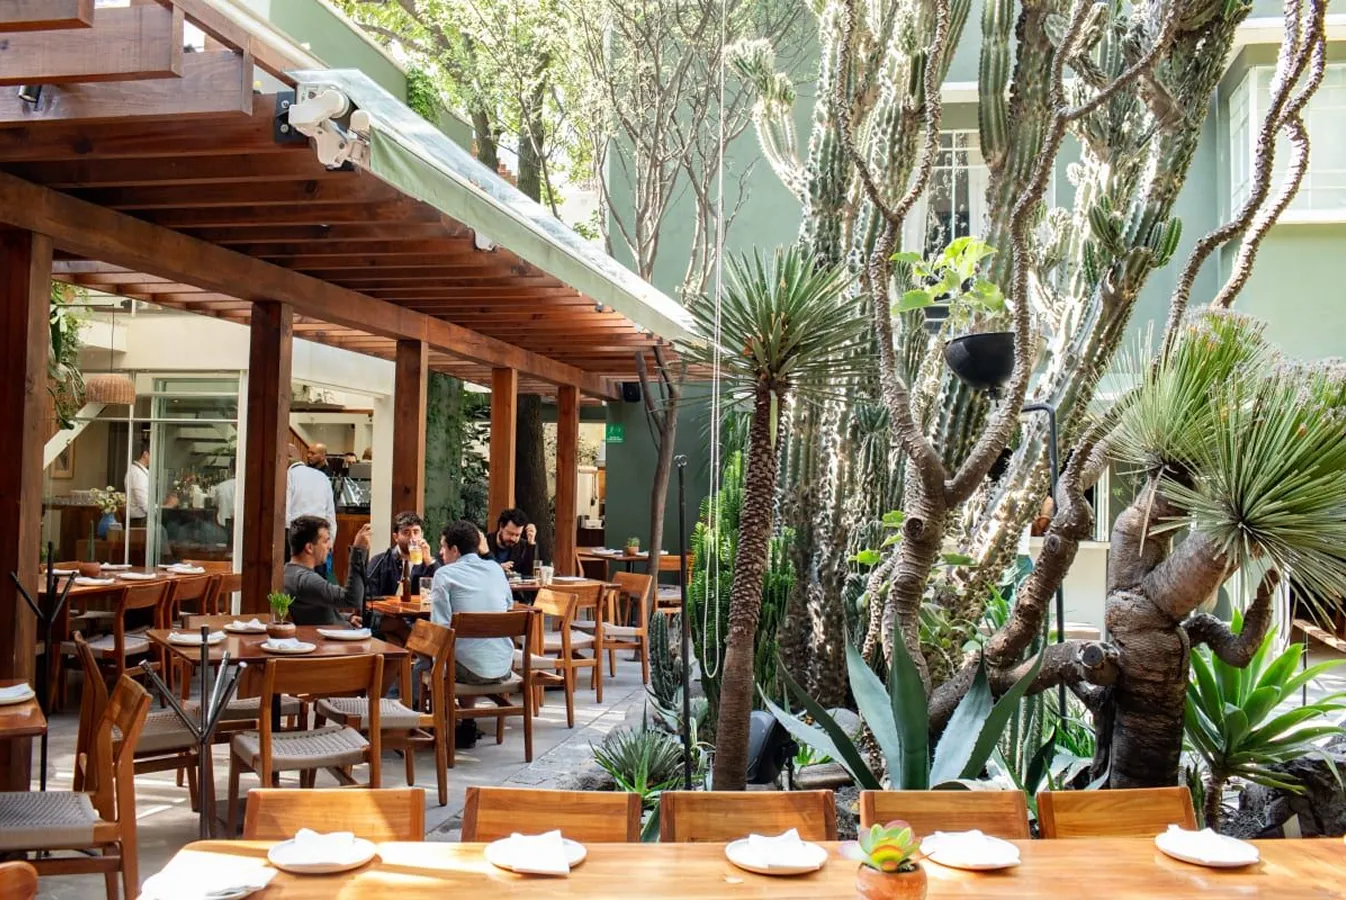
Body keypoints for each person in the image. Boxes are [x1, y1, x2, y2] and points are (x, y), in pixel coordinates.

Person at [429, 521, 513, 747]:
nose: (440, 552)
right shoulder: (496, 569)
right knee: (468, 650)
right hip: (504, 667)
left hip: (470, 670)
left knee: (425, 661)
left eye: (443, 547)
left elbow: (440, 627)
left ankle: (429, 724)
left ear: (455, 550)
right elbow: (509, 605)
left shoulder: (444, 575)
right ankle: (466, 722)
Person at [283, 515, 371, 626]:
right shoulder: (306, 579)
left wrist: (348, 617)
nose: (329, 547)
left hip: (336, 633)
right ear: (309, 547)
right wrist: (358, 551)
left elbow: (316, 614)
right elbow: (352, 599)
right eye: (325, 541)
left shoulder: (288, 572)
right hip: (337, 640)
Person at [364, 511, 437, 644]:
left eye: (416, 532)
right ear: (396, 537)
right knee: (395, 625)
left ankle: (417, 653)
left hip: (418, 620)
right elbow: (368, 597)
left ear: (422, 535)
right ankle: (423, 651)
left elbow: (441, 589)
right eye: (406, 532)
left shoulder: (428, 563)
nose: (412, 538)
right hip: (387, 618)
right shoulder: (380, 560)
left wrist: (429, 561)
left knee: (395, 642)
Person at [287, 445, 336, 578]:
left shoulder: (288, 475)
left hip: (296, 538)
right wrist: (330, 541)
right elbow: (330, 514)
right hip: (320, 537)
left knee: (294, 584)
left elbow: (284, 511)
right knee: (318, 585)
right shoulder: (322, 477)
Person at [486, 508, 537, 576]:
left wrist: (531, 543)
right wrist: (498, 568)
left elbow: (529, 574)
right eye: (510, 533)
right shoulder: (485, 542)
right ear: (501, 526)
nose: (513, 538)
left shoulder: (523, 545)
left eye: (517, 535)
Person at [125, 443, 150, 525]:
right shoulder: (137, 473)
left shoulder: (138, 471)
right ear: (145, 454)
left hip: (139, 519)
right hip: (139, 520)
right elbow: (144, 503)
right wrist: (162, 508)